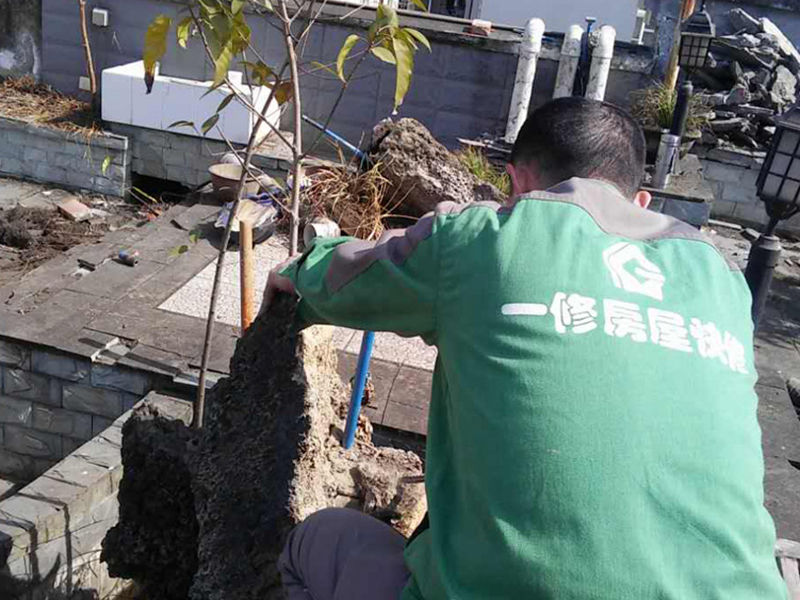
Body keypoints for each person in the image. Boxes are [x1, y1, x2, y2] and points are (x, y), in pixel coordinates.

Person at [266, 98, 786, 599]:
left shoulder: (480, 237)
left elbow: (343, 280)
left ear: (515, 183)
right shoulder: (721, 280)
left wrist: (297, 271)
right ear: (640, 201)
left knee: (317, 541)